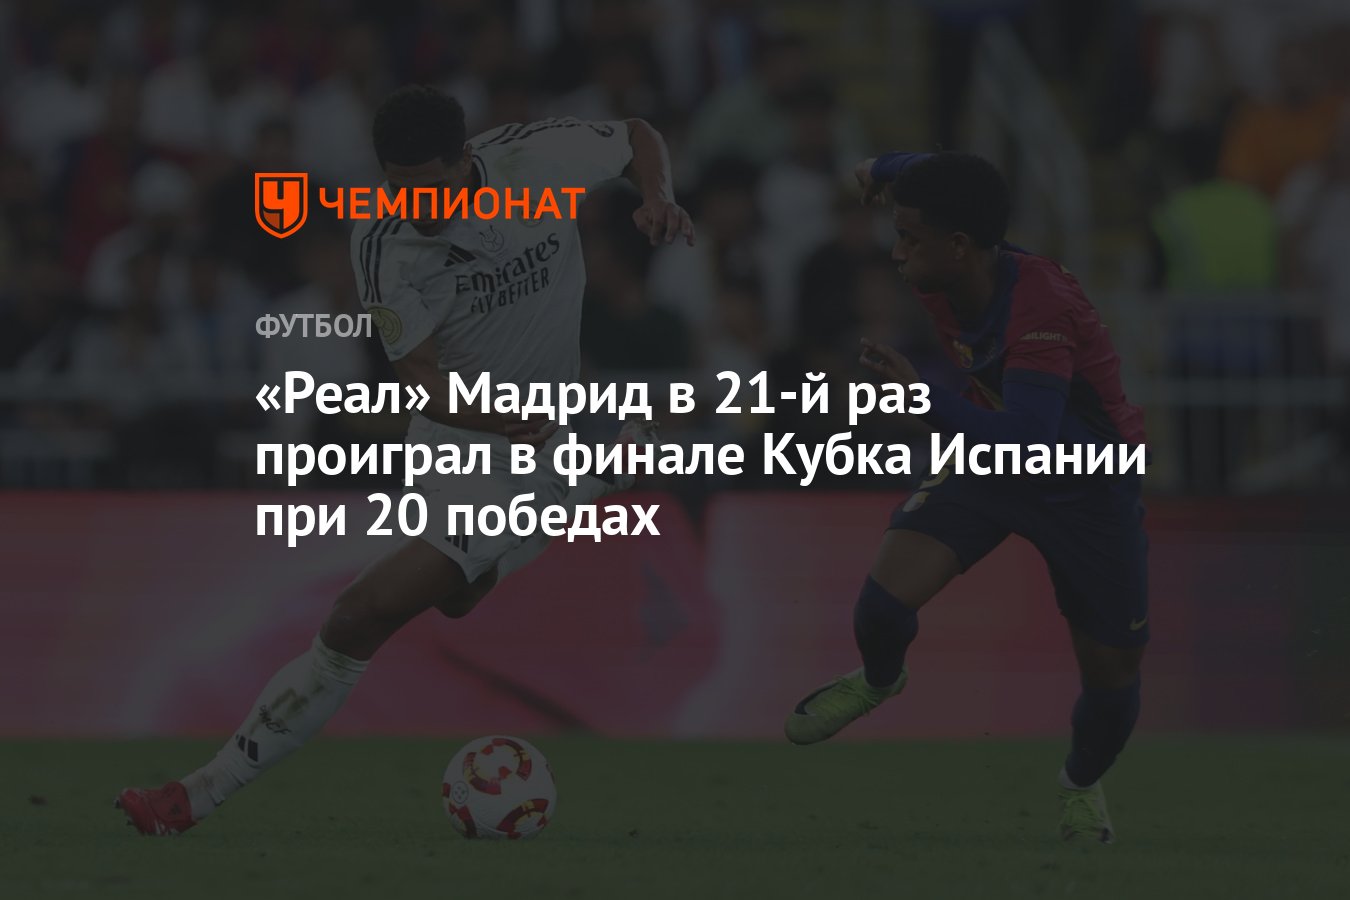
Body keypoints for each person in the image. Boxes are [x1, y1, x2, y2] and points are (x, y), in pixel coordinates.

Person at [116, 85, 694, 835]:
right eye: (400, 187)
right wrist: (523, 420)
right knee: (456, 597)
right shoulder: (382, 242)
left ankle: (195, 794)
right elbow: (421, 381)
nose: (417, 204)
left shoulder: (535, 158)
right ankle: (516, 538)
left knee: (357, 616)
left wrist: (657, 196)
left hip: (546, 453)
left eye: (431, 187)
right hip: (458, 439)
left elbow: (638, 132)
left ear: (466, 159)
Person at [784, 152, 1147, 845]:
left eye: (908, 239)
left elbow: (1032, 438)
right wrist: (883, 166)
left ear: (957, 246)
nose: (896, 254)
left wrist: (918, 396)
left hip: (1087, 480)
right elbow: (955, 172)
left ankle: (1080, 783)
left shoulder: (1040, 308)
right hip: (992, 457)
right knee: (880, 605)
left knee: (1112, 679)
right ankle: (880, 679)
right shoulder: (954, 255)